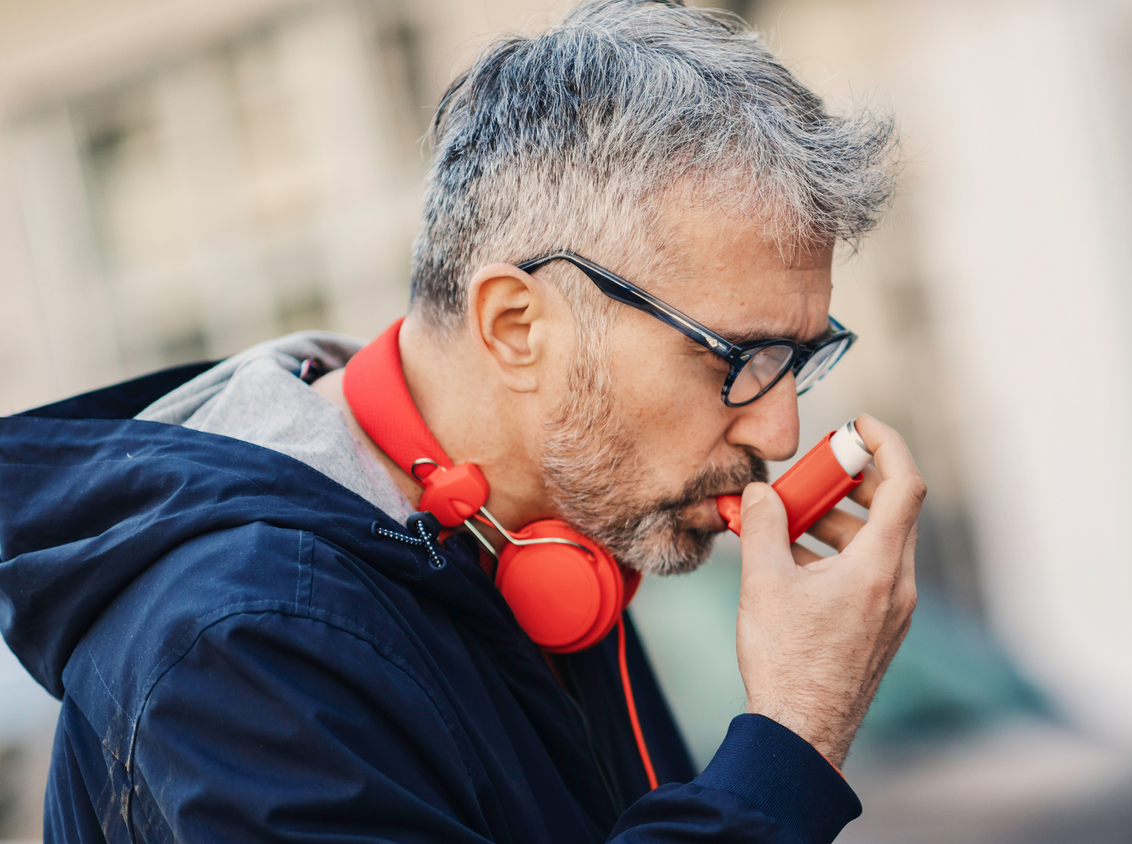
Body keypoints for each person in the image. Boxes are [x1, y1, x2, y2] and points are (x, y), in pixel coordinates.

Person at [0, 1, 922, 841]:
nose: (780, 434)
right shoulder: (241, 644)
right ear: (517, 327)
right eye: (736, 359)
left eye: (797, 359)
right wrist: (792, 736)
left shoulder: (546, 542)